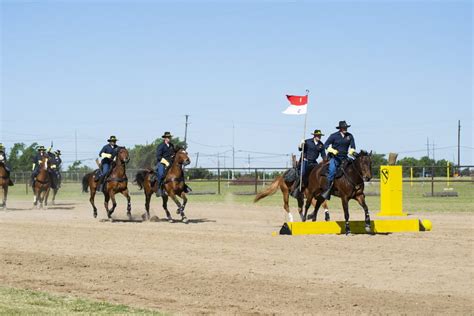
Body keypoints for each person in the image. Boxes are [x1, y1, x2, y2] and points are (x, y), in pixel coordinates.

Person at [321, 121, 356, 200]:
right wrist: (332, 150)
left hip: (345, 157)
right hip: (335, 158)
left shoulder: (350, 136)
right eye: (344, 127)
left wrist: (352, 151)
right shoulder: (333, 136)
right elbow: (325, 145)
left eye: (346, 127)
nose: (345, 129)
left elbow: (353, 146)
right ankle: (328, 190)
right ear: (340, 128)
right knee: (332, 171)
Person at [291, 129, 326, 197]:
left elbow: (323, 155)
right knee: (302, 173)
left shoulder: (321, 145)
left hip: (314, 162)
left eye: (320, 136)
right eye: (318, 135)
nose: (319, 137)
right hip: (305, 160)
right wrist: (301, 144)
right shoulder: (307, 142)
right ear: (314, 135)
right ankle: (294, 189)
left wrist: (326, 161)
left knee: (318, 173)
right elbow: (300, 149)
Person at [155, 132, 175, 196]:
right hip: (162, 162)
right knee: (161, 174)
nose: (169, 138)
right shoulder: (161, 146)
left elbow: (173, 153)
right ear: (165, 138)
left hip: (171, 162)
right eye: (168, 137)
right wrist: (165, 162)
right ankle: (158, 189)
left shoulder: (171, 145)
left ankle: (184, 187)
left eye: (170, 137)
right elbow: (158, 156)